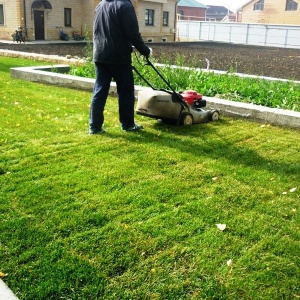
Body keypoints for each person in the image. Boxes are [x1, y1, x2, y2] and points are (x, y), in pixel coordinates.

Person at [89, 0, 152, 134]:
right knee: (126, 91)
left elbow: (96, 31)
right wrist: (145, 51)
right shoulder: (125, 5)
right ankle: (128, 124)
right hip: (118, 56)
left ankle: (94, 127)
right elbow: (133, 33)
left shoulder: (101, 5)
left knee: (99, 90)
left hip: (100, 54)